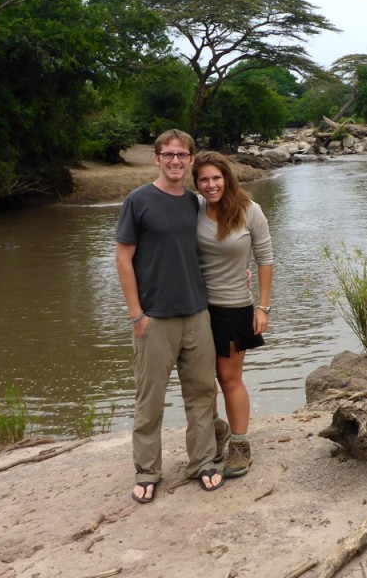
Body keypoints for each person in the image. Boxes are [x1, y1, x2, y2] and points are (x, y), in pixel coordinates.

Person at [115, 130, 223, 501]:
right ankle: (147, 471)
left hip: (196, 313)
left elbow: (214, 245)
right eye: (168, 154)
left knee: (202, 393)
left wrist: (238, 270)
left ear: (191, 160)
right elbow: (123, 258)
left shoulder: (195, 202)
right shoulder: (139, 200)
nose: (175, 161)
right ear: (157, 158)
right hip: (155, 319)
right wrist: (136, 315)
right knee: (150, 400)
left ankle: (203, 462)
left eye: (182, 155)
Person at [192, 151, 273, 478]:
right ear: (196, 183)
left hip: (234, 307)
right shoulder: (192, 208)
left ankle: (239, 444)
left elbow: (265, 258)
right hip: (195, 307)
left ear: (227, 178)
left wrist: (262, 306)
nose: (211, 185)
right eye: (204, 180)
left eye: (216, 178)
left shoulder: (249, 211)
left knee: (228, 378)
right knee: (200, 379)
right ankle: (215, 430)